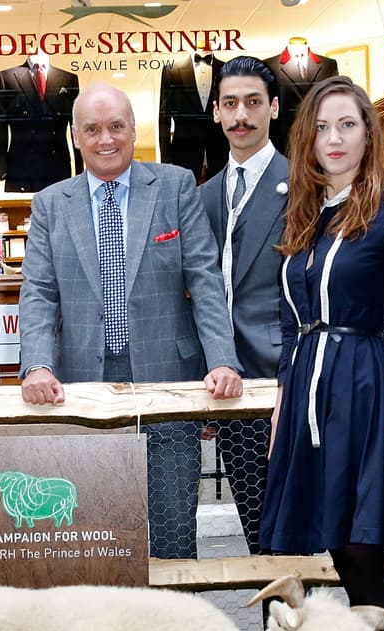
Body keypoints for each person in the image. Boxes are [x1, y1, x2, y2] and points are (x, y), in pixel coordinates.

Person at [18, 83, 243, 560]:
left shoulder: (175, 185)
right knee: (93, 536)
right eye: (93, 129)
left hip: (168, 384)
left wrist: (223, 360)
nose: (106, 139)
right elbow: (38, 293)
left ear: (133, 130)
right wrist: (37, 365)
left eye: (116, 126)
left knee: (172, 533)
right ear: (75, 136)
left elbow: (204, 279)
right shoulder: (51, 204)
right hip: (81, 389)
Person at [258, 77, 384, 631]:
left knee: (362, 555)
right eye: (323, 127)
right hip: (307, 392)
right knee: (332, 549)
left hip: (360, 389)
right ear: (306, 139)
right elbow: (289, 321)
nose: (334, 139)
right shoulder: (304, 215)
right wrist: (284, 399)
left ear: (369, 133)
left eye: (348, 125)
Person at [200, 56, 288, 555]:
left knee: (290, 529)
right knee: (257, 530)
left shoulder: (302, 186)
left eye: (253, 102)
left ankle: (295, 630)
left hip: (284, 381)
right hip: (230, 389)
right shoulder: (205, 195)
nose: (241, 115)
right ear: (215, 112)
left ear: (273, 108)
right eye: (230, 103)